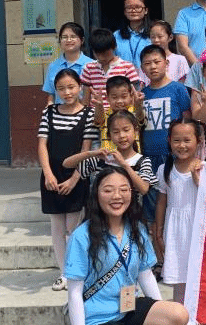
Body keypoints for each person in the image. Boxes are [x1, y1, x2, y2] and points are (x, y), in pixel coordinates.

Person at [65, 167, 189, 325]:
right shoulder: (82, 236)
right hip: (98, 319)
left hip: (127, 308)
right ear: (96, 194)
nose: (117, 196)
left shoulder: (136, 229)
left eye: (123, 189)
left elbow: (145, 274)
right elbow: (74, 293)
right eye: (108, 190)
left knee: (178, 314)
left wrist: (157, 311)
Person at [38, 68, 98, 291]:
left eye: (71, 87)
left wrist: (74, 179)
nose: (67, 92)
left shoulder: (88, 114)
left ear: (80, 87)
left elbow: (86, 149)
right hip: (51, 176)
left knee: (74, 227)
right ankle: (63, 273)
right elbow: (42, 145)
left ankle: (75, 272)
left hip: (76, 177)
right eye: (61, 88)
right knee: (56, 227)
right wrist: (48, 174)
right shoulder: (49, 112)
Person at [153, 119, 206, 325]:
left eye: (187, 140)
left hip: (197, 230)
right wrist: (158, 230)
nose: (182, 145)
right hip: (175, 231)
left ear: (199, 141)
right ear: (169, 141)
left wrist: (198, 178)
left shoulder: (204, 168)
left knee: (197, 283)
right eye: (177, 140)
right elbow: (161, 201)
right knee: (180, 284)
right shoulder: (165, 170)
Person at [139, 45, 192, 237]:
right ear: (142, 68)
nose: (153, 67)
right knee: (152, 209)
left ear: (166, 63)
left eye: (157, 62)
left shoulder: (178, 89)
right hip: (148, 157)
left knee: (176, 202)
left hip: (173, 156)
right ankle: (156, 249)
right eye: (147, 63)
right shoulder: (142, 94)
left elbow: (187, 120)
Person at [64, 110, 157, 200]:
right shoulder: (103, 159)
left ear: (136, 131)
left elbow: (143, 189)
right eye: (116, 132)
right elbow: (67, 164)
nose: (122, 135)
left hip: (131, 210)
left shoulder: (142, 161)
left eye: (126, 130)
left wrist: (124, 164)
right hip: (102, 210)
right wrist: (90, 153)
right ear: (109, 136)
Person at [79, 28, 140, 110]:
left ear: (114, 47)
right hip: (96, 113)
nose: (101, 57)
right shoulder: (89, 68)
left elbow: (134, 96)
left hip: (121, 112)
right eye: (97, 54)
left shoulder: (127, 67)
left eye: (104, 53)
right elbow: (86, 99)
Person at [92, 75, 144, 151]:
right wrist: (99, 106)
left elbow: (140, 116)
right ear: (107, 98)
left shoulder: (134, 113)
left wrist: (138, 104)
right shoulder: (105, 115)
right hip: (109, 157)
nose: (119, 101)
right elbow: (98, 119)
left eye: (124, 96)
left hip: (132, 158)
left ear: (131, 96)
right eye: (114, 97)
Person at [42, 22, 91, 103]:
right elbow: (51, 94)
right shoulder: (53, 66)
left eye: (73, 37)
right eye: (64, 37)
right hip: (59, 110)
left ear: (82, 40)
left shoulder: (91, 65)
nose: (69, 40)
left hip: (85, 110)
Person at [114, 0, 150, 69]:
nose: (133, 10)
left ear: (146, 10)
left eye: (138, 7)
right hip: (122, 75)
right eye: (129, 8)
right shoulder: (116, 36)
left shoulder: (153, 34)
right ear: (124, 12)